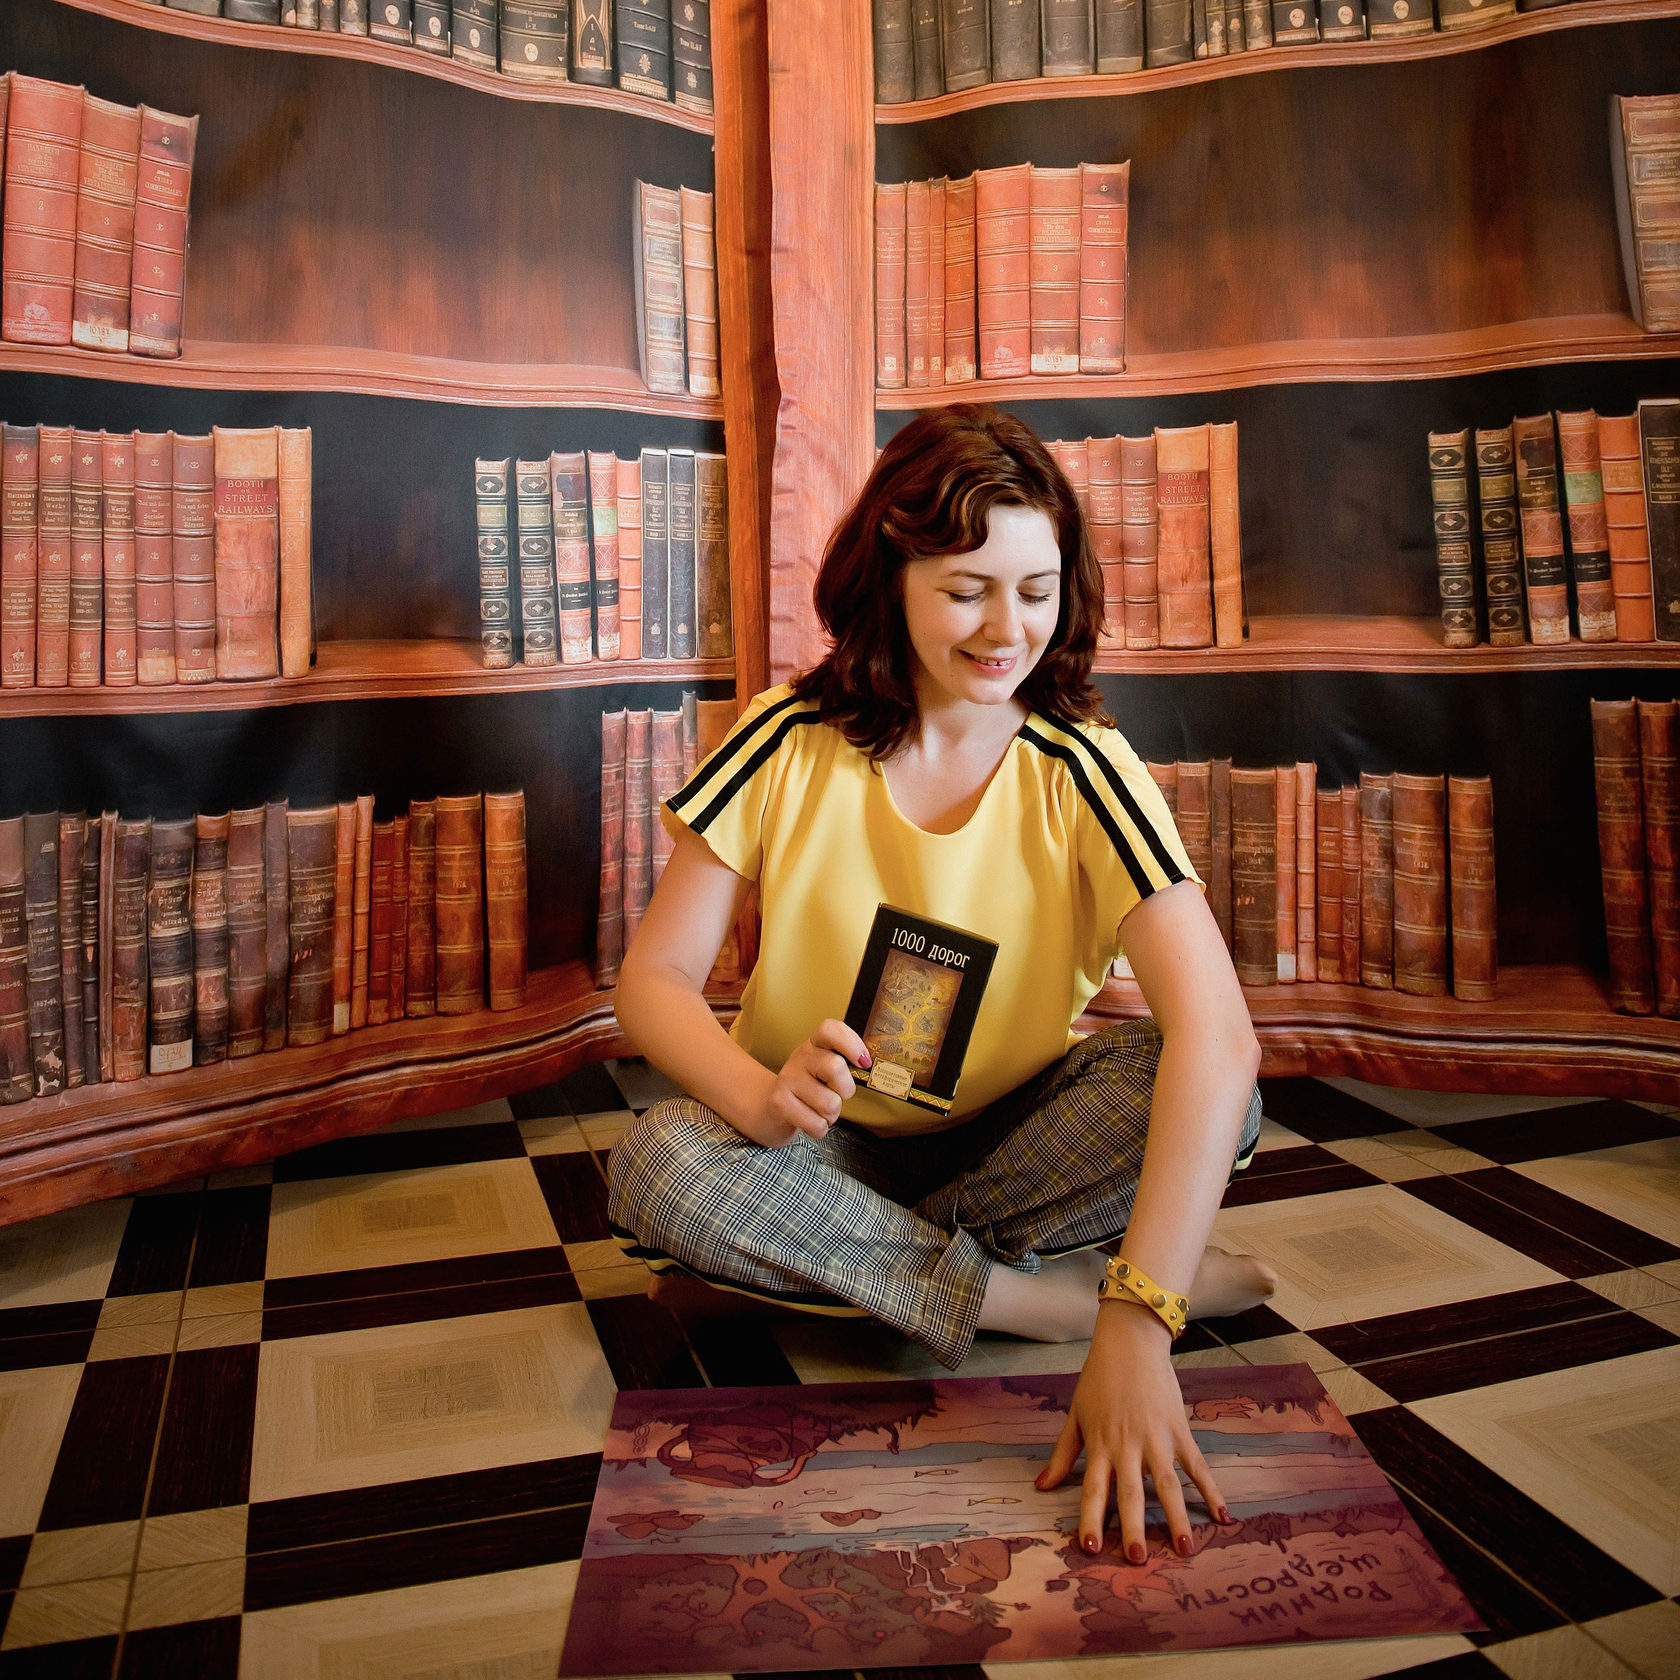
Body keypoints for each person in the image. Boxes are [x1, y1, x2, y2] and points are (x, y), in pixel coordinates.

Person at [608, 403, 1277, 1566]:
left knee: (1210, 1095)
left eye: (1036, 590)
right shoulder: (786, 737)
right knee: (660, 1158)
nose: (1006, 629)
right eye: (967, 590)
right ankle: (1034, 1300)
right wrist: (761, 1098)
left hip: (1009, 1153)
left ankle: (834, 1271)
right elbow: (653, 980)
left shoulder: (1086, 767)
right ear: (893, 578)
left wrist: (1140, 1332)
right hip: (813, 1149)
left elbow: (1220, 1041)